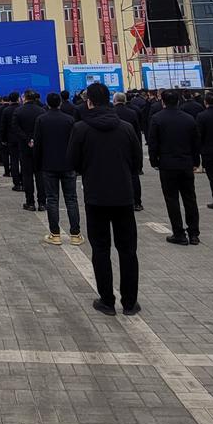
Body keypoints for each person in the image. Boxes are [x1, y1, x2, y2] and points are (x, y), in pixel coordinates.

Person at [70, 83, 141, 315]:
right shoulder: (126, 128)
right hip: (124, 196)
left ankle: (107, 301)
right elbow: (137, 163)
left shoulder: (81, 129)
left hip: (96, 196)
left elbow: (73, 162)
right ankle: (130, 302)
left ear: (88, 102)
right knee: (128, 250)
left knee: (100, 249)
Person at [148, 89, 202, 245]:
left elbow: (153, 143)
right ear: (178, 101)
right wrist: (196, 162)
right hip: (186, 163)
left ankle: (178, 233)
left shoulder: (157, 118)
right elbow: (195, 143)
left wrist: (154, 161)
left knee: (172, 199)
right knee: (190, 198)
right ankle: (194, 233)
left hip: (167, 164)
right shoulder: (189, 119)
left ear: (162, 102)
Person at [32, 93, 79, 245]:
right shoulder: (69, 120)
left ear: (47, 103)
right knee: (71, 199)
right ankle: (75, 234)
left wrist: (37, 164)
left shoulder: (41, 120)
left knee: (52, 199)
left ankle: (55, 234)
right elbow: (75, 143)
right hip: (68, 165)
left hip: (48, 165)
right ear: (60, 103)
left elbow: (37, 144)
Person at [13, 91, 47, 209]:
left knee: (27, 176)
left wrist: (27, 139)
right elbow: (44, 130)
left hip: (25, 147)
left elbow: (16, 128)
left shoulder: (18, 111)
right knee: (40, 175)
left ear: (25, 98)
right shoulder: (41, 111)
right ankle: (42, 203)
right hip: (39, 148)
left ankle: (30, 202)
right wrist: (35, 139)